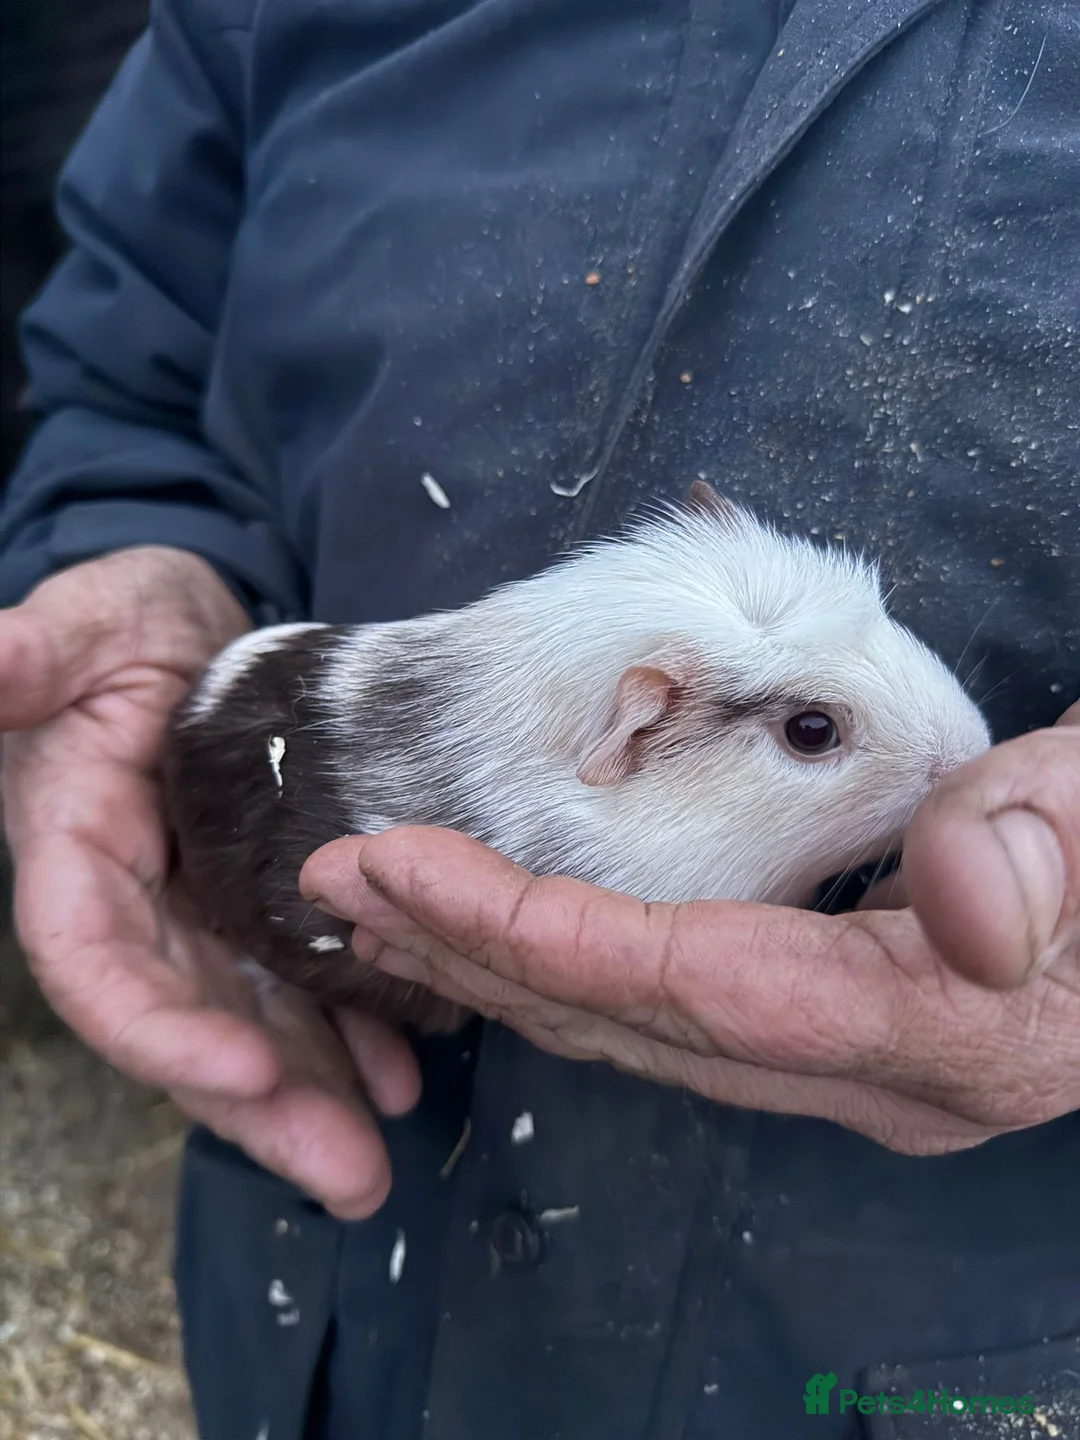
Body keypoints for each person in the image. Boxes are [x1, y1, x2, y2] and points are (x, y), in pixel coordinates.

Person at [1, 1, 1077, 1436]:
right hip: (337, 1276)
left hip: (935, 1330)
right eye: (813, 733)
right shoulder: (582, 778)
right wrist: (128, 530)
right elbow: (138, 319)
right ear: (636, 733)